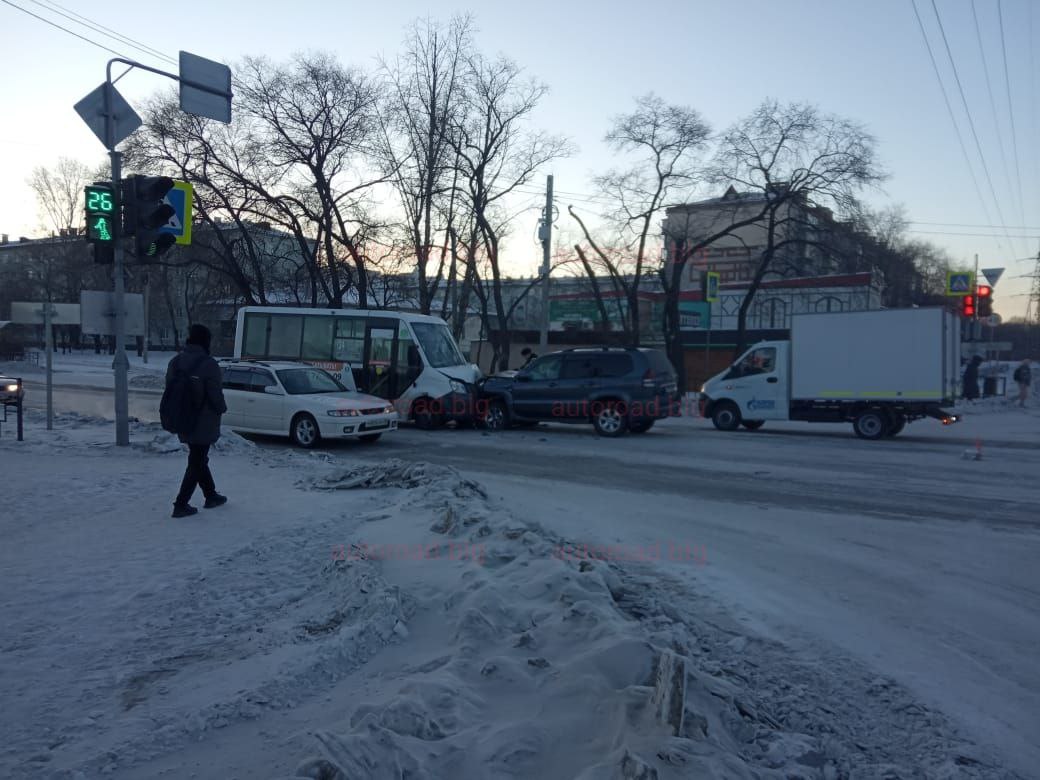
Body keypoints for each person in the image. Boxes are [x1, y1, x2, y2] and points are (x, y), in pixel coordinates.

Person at [166, 324, 228, 518]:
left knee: (197, 457)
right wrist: (222, 409)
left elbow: (170, 389)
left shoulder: (175, 362)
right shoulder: (209, 364)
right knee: (197, 460)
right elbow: (215, 395)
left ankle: (210, 495)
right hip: (203, 421)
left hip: (181, 417)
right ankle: (181, 504)